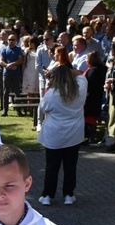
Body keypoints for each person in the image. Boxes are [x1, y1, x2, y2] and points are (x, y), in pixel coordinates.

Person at [37, 64, 87, 206]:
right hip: (74, 133)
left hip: (55, 134)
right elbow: (81, 76)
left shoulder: (52, 94)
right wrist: (68, 70)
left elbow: (43, 108)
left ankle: (47, 195)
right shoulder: (79, 90)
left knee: (52, 166)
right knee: (70, 166)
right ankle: (69, 195)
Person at [83, 51, 106, 144]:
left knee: (90, 117)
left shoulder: (93, 70)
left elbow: (90, 84)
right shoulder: (101, 68)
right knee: (91, 117)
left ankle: (90, 138)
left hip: (91, 98)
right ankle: (89, 137)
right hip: (96, 96)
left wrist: (86, 95)